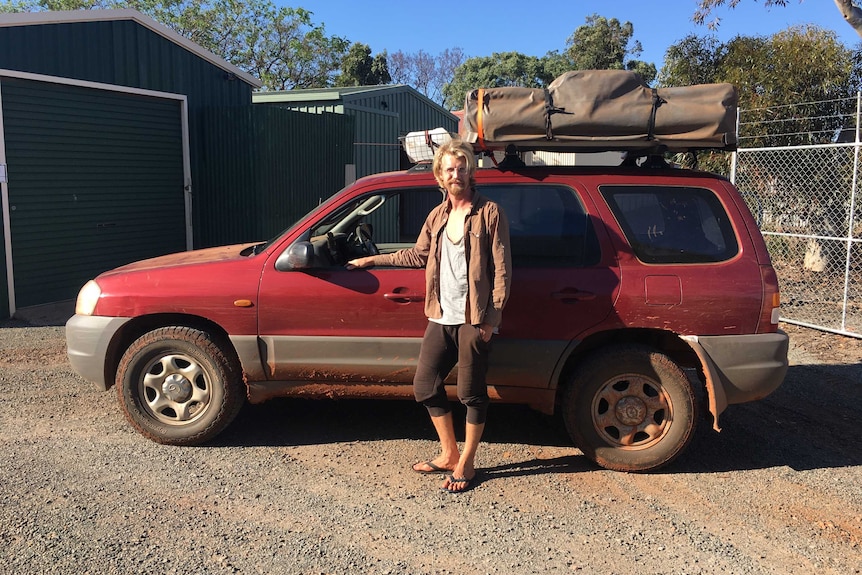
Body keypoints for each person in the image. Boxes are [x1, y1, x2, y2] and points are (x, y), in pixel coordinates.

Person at [347, 139, 512, 493]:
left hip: (473, 318)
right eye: (450, 169)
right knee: (425, 385)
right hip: (440, 316)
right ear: (440, 175)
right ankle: (449, 452)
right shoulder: (437, 216)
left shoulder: (489, 213)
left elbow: (502, 270)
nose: (457, 174)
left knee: (471, 393)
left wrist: (491, 320)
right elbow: (417, 255)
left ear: (471, 170)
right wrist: (370, 260)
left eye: (462, 167)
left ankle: (467, 463)